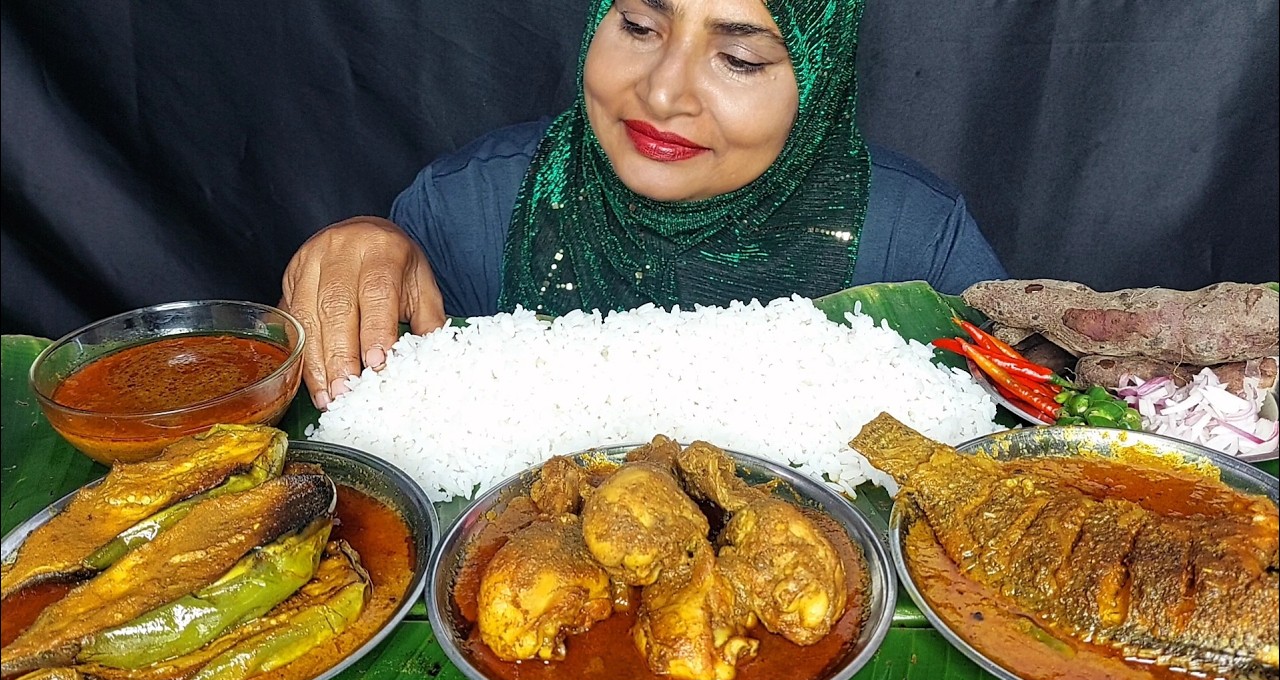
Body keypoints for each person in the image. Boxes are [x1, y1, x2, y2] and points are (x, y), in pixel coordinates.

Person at [281, 0, 1007, 410]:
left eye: (740, 59)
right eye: (637, 25)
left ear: (820, 79)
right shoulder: (467, 206)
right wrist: (365, 241)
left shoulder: (918, 237)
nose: (662, 94)